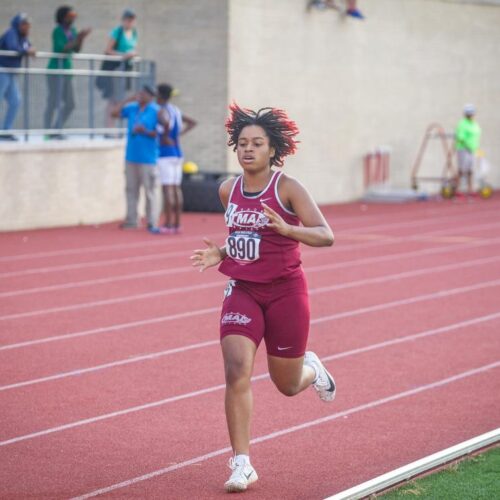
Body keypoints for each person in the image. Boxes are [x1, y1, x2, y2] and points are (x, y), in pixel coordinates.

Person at [190, 104, 336, 492]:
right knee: (236, 369)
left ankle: (313, 369)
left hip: (286, 292)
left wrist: (288, 229)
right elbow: (245, 234)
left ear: (273, 149)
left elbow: (326, 234)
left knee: (286, 385)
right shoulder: (228, 189)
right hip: (243, 290)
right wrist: (221, 253)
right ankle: (242, 463)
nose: (248, 149)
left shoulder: (287, 187)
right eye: (242, 144)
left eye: (257, 143)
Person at [112, 85, 166, 233]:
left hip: (148, 158)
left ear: (150, 96)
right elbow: (114, 113)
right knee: (131, 190)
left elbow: (162, 130)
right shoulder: (132, 107)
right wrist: (126, 100)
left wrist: (146, 131)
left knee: (150, 191)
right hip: (131, 156)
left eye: (143, 93)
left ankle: (152, 221)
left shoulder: (156, 110)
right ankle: (131, 220)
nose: (140, 95)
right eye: (139, 93)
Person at [44, 5, 91, 138]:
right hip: (55, 70)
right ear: (63, 17)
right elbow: (62, 49)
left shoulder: (73, 30)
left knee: (71, 104)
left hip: (67, 71)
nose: (73, 19)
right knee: (53, 102)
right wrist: (78, 38)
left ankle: (56, 129)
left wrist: (81, 38)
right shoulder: (57, 31)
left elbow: (76, 49)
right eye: (70, 16)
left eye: (74, 16)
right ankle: (47, 132)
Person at [156, 83, 197, 234]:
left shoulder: (162, 110)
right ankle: (177, 223)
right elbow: (193, 122)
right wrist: (179, 135)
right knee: (176, 189)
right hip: (178, 152)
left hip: (165, 153)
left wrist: (166, 136)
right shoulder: (176, 110)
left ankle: (168, 224)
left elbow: (165, 121)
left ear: (159, 95)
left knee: (167, 189)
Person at [0, 13, 35, 140]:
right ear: (18, 24)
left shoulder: (23, 37)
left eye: (28, 25)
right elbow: (13, 47)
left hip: (10, 72)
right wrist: (27, 51)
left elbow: (28, 46)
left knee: (15, 101)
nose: (26, 27)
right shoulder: (12, 33)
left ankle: (5, 131)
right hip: (2, 69)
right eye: (24, 24)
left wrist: (30, 49)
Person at [102, 9, 138, 130]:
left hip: (126, 68)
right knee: (113, 99)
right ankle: (110, 128)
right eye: (128, 19)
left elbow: (132, 48)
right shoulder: (118, 31)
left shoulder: (134, 32)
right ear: (123, 20)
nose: (130, 22)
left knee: (121, 99)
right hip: (115, 68)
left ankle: (116, 128)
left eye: (132, 20)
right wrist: (123, 55)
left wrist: (132, 54)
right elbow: (108, 50)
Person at [455, 104, 481, 197]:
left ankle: (470, 189)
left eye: (472, 113)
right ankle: (458, 189)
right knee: (462, 169)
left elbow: (476, 136)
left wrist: (475, 148)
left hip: (473, 149)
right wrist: (468, 146)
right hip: (463, 149)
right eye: (469, 114)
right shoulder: (462, 123)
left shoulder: (474, 123)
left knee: (471, 170)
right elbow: (461, 137)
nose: (470, 115)